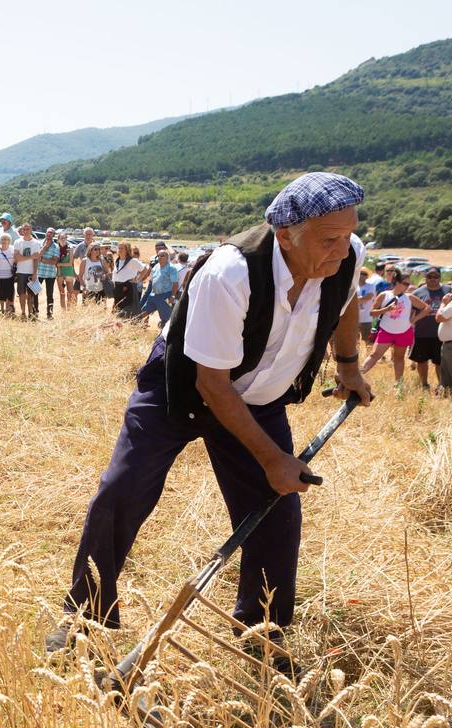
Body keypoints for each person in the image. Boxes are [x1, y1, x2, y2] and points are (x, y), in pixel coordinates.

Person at [47, 173, 371, 677]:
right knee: (122, 490)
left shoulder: (344, 254)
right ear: (286, 234)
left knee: (276, 518)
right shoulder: (232, 273)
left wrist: (347, 365)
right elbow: (212, 387)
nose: (340, 249)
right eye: (327, 239)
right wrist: (272, 459)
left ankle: (263, 635)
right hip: (183, 387)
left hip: (260, 398)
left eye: (347, 234)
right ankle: (84, 615)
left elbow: (345, 298)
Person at [361, 270, 430, 386]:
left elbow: (426, 308)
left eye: (409, 284)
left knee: (399, 358)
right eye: (405, 283)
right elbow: (372, 313)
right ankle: (357, 376)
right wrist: (386, 309)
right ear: (397, 282)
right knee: (374, 355)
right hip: (386, 331)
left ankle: (398, 385)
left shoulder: (410, 297)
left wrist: (414, 320)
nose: (408, 286)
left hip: (403, 332)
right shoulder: (384, 295)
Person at [409, 267, 447, 392]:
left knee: (440, 362)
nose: (432, 279)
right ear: (425, 278)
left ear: (440, 278)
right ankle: (424, 385)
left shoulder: (447, 291)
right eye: (430, 276)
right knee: (421, 361)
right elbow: (410, 312)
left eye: (435, 276)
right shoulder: (418, 293)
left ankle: (441, 386)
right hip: (422, 333)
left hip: (442, 333)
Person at [141, 248, 180, 326]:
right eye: (158, 255)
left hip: (165, 296)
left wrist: (172, 296)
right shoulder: (156, 266)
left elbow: (175, 284)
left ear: (167, 257)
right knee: (143, 312)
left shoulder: (172, 268)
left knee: (166, 319)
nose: (160, 257)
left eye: (162, 255)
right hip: (153, 295)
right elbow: (152, 280)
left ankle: (164, 334)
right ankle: (134, 324)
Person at [12, 223, 43, 320]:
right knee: (22, 294)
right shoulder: (17, 242)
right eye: (24, 229)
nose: (25, 231)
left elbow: (36, 259)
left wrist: (35, 273)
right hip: (20, 272)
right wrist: (30, 256)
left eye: (27, 229)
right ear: (22, 230)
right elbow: (17, 258)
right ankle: (23, 313)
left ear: (31, 230)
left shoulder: (36, 243)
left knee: (31, 295)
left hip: (31, 272)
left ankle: (30, 313)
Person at [110, 241, 144, 316]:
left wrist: (138, 279)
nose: (119, 250)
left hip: (128, 288)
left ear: (127, 250)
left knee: (127, 310)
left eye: (122, 248)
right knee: (117, 309)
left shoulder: (132, 261)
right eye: (119, 248)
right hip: (118, 288)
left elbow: (146, 269)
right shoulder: (117, 260)